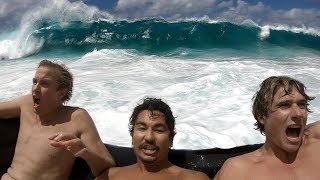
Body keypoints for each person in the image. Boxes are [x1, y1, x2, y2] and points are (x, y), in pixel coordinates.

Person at [0, 60, 115, 180]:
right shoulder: (25, 104)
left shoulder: (76, 118)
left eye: (44, 84)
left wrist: (85, 153)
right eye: (34, 82)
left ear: (61, 92)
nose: (35, 88)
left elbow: (108, 165)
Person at [214, 76, 320, 180]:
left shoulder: (316, 140)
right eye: (285, 105)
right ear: (262, 116)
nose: (298, 113)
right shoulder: (238, 171)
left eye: (302, 104)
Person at [96, 97, 210, 180]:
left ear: (171, 138)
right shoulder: (109, 177)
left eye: (158, 130)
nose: (149, 137)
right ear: (132, 135)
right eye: (142, 128)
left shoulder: (192, 178)